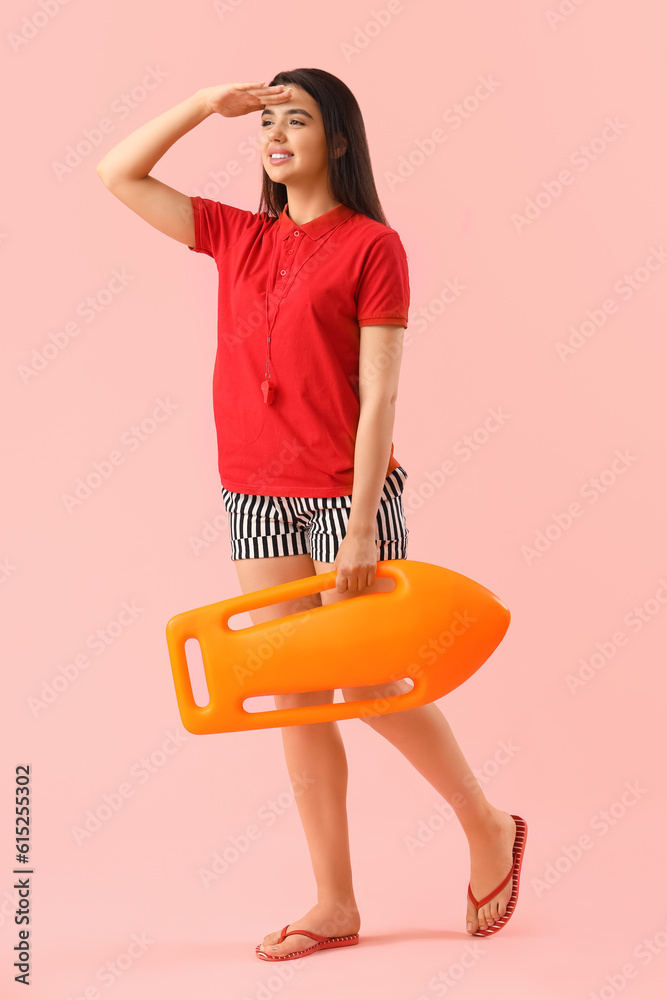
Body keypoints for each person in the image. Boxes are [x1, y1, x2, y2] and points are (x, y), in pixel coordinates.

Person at [96, 69, 526, 961]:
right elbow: (119, 174)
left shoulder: (374, 245)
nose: (276, 133)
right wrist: (202, 105)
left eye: (298, 120)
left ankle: (485, 822)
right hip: (254, 496)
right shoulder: (235, 234)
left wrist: (364, 521)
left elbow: (379, 399)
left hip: (343, 498)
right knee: (295, 699)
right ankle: (334, 902)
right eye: (268, 121)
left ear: (337, 141)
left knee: (371, 683)